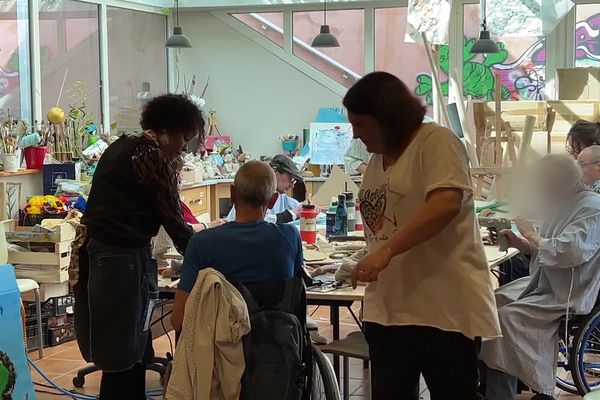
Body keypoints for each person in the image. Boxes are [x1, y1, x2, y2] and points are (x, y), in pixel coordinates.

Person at [344, 71, 501, 400]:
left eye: (361, 124)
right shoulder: (377, 160)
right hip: (389, 307)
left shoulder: (436, 141)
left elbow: (445, 203)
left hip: (442, 307)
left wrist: (385, 253)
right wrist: (368, 255)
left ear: (387, 117)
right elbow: (388, 223)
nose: (357, 135)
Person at [72, 94, 204, 400]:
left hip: (109, 256)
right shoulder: (152, 157)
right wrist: (204, 254)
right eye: (184, 139)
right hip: (120, 261)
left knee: (131, 350)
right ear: (169, 130)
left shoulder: (122, 146)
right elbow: (172, 217)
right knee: (122, 355)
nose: (184, 147)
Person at [480, 154, 600, 400]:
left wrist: (531, 234)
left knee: (506, 320)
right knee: (491, 303)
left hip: (569, 290)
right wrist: (521, 243)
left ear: (561, 182)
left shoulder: (592, 208)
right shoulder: (564, 203)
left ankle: (509, 392)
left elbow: (568, 252)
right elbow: (544, 251)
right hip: (546, 282)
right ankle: (497, 384)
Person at [171, 160, 303, 333]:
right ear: (272, 201)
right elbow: (298, 300)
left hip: (219, 351)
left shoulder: (202, 243)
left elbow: (179, 321)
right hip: (276, 347)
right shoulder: (290, 237)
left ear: (232, 194)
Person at [152, 157, 225, 269]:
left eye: (181, 181)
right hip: (176, 259)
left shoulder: (177, 204)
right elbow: (179, 229)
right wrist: (209, 225)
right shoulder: (164, 208)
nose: (181, 185)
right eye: (178, 180)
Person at [226, 154, 303, 223]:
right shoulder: (252, 196)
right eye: (290, 179)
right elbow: (255, 221)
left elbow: (298, 207)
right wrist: (291, 214)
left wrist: (306, 207)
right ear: (275, 173)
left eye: (294, 181)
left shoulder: (282, 198)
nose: (292, 185)